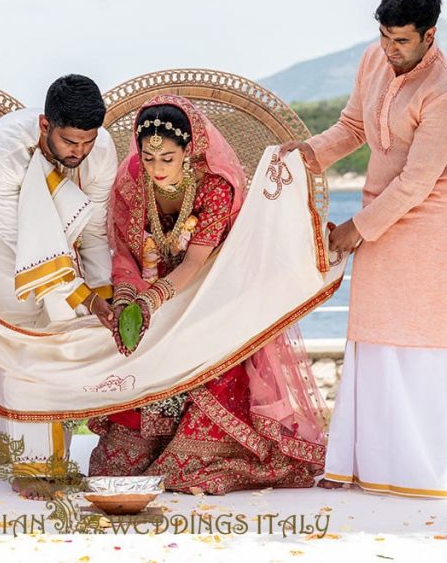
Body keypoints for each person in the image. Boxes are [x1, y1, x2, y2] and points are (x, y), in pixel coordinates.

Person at [280, 0, 447, 498]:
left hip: (437, 216)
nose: (390, 49)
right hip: (387, 207)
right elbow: (352, 127)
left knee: (426, 334)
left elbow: (416, 181)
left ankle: (425, 470)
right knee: (374, 326)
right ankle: (370, 464)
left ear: (430, 36)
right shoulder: (374, 59)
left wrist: (354, 232)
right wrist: (307, 156)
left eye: (401, 41)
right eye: (385, 36)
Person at [87, 95, 328, 495]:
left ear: (190, 151)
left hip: (214, 297)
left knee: (188, 470)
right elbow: (126, 250)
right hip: (155, 297)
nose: (157, 169)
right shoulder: (133, 179)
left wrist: (153, 299)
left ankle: (202, 443)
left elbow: (196, 262)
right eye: (149, 157)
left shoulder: (215, 186)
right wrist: (128, 295)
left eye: (168, 158)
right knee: (113, 466)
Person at [0, 73, 117, 485]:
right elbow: (19, 240)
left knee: (64, 332)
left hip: (63, 230)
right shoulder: (2, 148)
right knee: (23, 334)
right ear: (45, 125)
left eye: (88, 141)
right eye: (69, 142)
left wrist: (101, 295)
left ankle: (52, 460)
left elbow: (96, 231)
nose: (79, 152)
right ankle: (30, 466)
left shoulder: (101, 152)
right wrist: (79, 292)